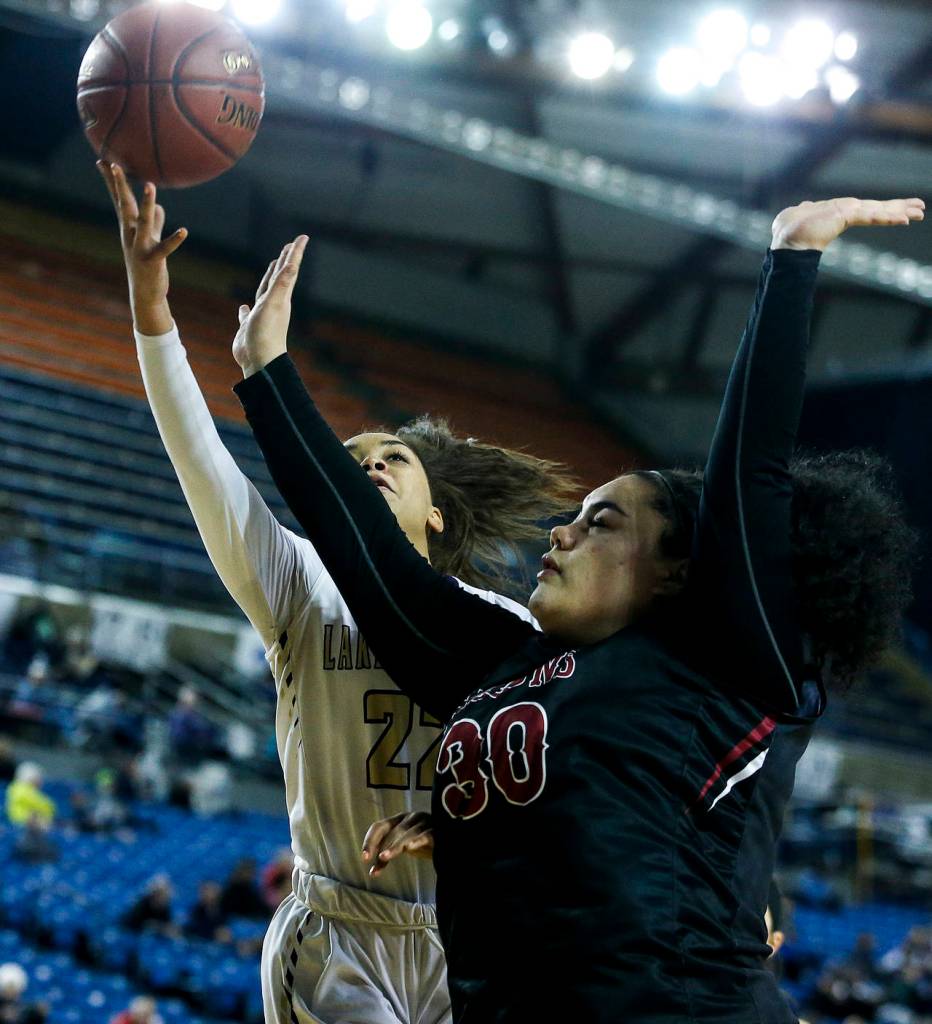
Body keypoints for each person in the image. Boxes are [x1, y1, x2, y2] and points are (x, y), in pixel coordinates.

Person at [232, 197, 923, 1022]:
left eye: (603, 522)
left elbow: (748, 480)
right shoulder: (501, 663)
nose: (563, 533)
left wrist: (789, 261)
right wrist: (267, 370)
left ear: (677, 573)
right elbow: (371, 562)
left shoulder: (720, 661)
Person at [97, 161, 576, 1024]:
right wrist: (153, 314)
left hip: (471, 937)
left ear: (437, 515)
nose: (372, 468)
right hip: (341, 935)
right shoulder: (298, 576)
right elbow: (200, 461)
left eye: (395, 459)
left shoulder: (508, 624)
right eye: (351, 465)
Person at [5, 762, 55, 827]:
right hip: (21, 822)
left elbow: (50, 808)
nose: (40, 780)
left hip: (28, 822)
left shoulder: (30, 790)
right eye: (37, 778)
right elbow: (46, 806)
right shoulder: (20, 788)